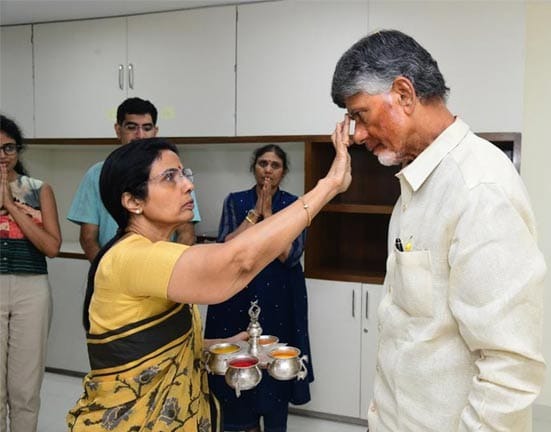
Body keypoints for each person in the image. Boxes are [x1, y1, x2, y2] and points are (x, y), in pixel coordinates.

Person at [331, 30, 546, 431]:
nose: (356, 135)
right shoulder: (417, 183)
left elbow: (510, 369)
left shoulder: (478, 189)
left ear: (404, 94)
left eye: (360, 115)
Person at [66, 134, 351, 431]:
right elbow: (239, 261)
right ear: (132, 201)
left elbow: (158, 343)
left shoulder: (161, 254)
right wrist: (328, 185)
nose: (189, 184)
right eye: (169, 177)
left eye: (184, 174)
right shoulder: (131, 256)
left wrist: (224, 346)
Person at [204, 145, 313, 432]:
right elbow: (227, 247)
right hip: (238, 291)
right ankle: (244, 424)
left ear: (284, 171)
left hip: (280, 290)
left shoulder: (295, 204)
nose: (268, 170)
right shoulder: (236, 200)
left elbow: (290, 255)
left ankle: (275, 422)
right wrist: (255, 215)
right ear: (254, 167)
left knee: (274, 361)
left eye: (275, 165)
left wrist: (270, 215)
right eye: (263, 163)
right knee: (239, 359)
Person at [67, 97, 200, 261]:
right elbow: (88, 238)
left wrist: (167, 269)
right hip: (113, 268)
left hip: (162, 268)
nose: (140, 135)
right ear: (118, 129)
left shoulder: (173, 174)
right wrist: (106, 272)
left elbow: (186, 234)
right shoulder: (97, 174)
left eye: (147, 128)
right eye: (132, 127)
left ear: (155, 131)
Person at [0, 114, 62, 432]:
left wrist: (11, 205)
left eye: (8, 148)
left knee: (25, 387)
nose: (2, 156)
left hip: (31, 288)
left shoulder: (39, 190)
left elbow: (52, 247)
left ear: (18, 151)